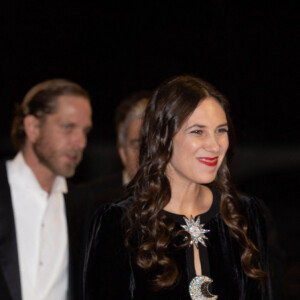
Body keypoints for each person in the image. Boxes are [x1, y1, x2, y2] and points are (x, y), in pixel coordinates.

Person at [84, 75, 276, 299]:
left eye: (221, 130)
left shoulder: (245, 215)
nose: (214, 145)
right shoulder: (118, 222)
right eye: (197, 131)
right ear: (163, 137)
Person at [0, 79, 94, 300]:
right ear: (32, 128)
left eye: (85, 131)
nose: (81, 142)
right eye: (68, 127)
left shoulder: (83, 207)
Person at [84, 91, 151, 202]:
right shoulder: (91, 200)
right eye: (138, 145)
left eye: (154, 143)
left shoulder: (184, 198)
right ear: (123, 152)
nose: (147, 153)